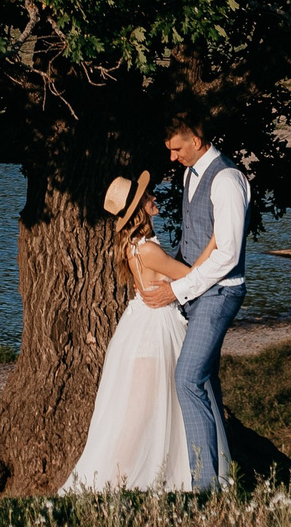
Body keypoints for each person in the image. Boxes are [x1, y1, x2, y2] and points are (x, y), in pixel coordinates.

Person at [57, 176, 195, 493]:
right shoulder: (146, 250)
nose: (153, 197)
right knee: (141, 413)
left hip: (141, 326)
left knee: (151, 407)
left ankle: (140, 475)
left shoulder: (136, 246)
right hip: (153, 332)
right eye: (148, 195)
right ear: (139, 209)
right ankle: (112, 481)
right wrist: (215, 245)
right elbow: (192, 276)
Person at [136, 114, 249, 489]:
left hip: (220, 292)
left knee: (187, 378)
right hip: (197, 291)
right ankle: (222, 478)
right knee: (206, 382)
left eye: (177, 148)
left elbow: (228, 254)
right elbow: (196, 240)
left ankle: (204, 487)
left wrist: (177, 290)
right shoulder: (190, 175)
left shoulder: (228, 180)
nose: (172, 157)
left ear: (198, 139)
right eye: (169, 150)